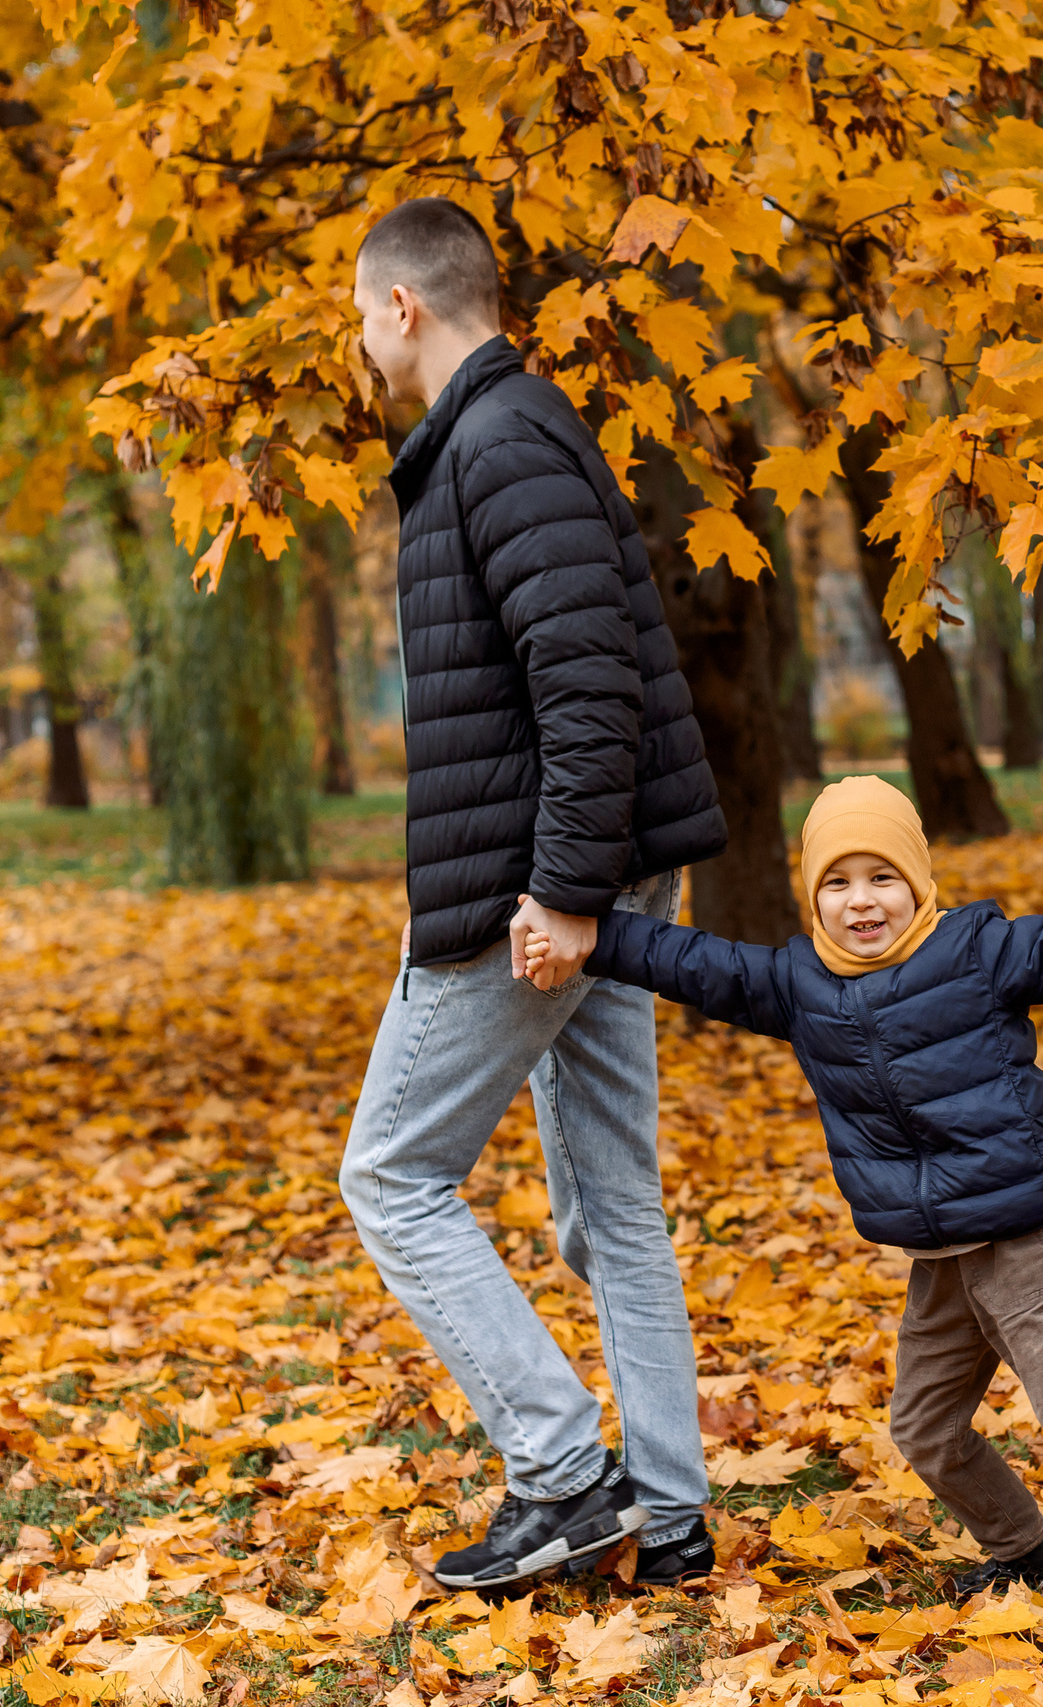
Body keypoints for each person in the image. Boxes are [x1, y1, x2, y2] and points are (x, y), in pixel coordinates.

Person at [517, 776, 1043, 1658]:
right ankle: (1027, 1549)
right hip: (938, 1252)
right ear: (812, 892)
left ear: (917, 879)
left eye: (881, 877)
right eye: (837, 881)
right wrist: (593, 934)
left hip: (1019, 1235)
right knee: (925, 1428)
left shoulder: (976, 952)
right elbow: (693, 962)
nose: (861, 900)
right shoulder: (800, 983)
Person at [338, 196, 729, 1590]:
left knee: (390, 1174)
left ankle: (562, 1472)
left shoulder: (499, 444)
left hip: (539, 891)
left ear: (405, 307)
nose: (360, 344)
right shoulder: (504, 436)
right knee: (612, 1202)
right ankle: (668, 1512)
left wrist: (562, 891)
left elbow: (589, 687)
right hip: (577, 872)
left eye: (360, 313)